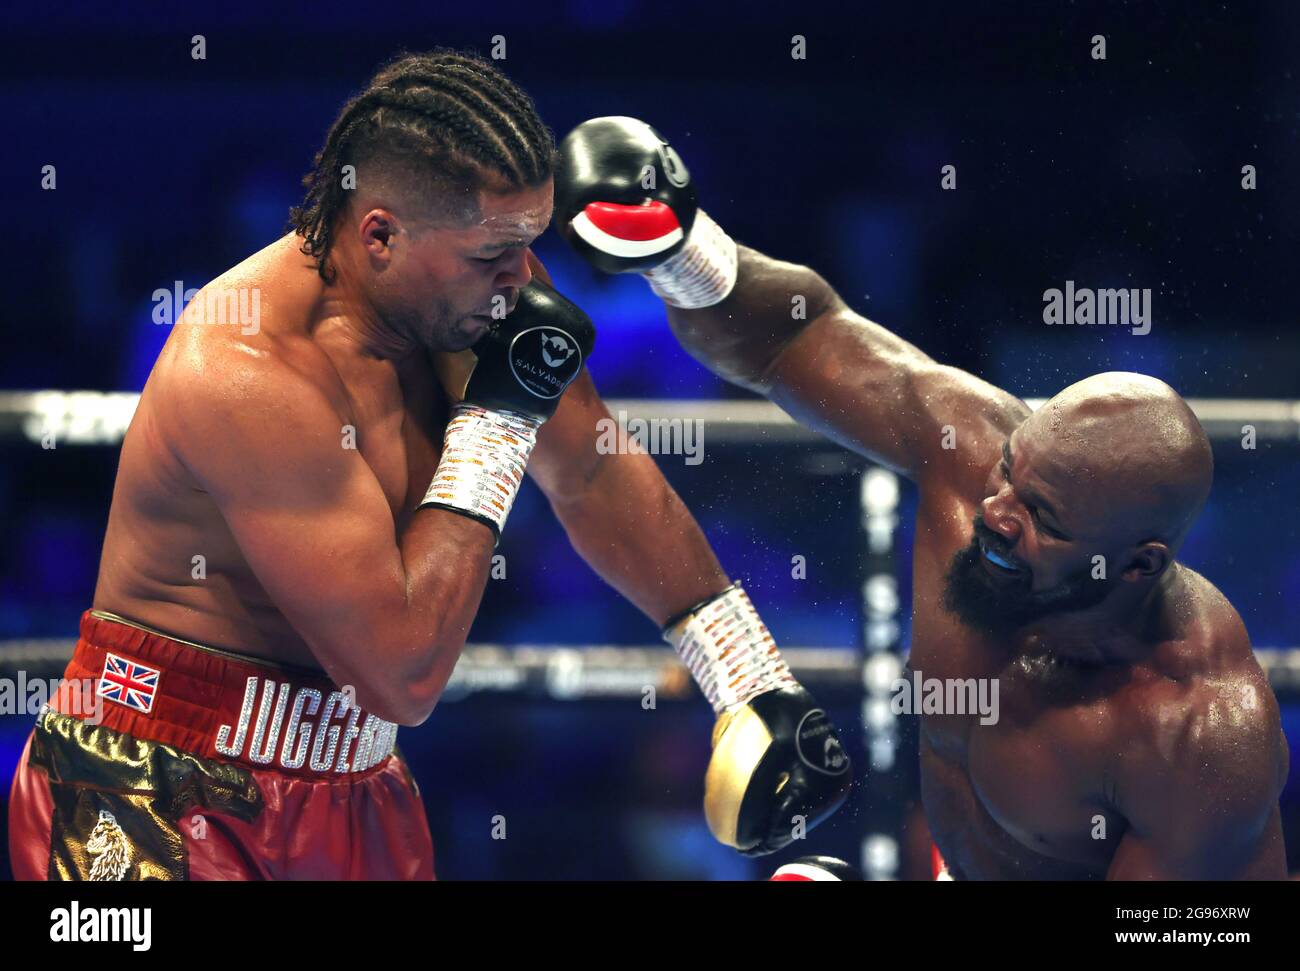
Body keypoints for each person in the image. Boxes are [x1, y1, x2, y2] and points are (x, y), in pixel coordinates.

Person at [7, 56, 849, 881]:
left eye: (530, 241)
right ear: (379, 235)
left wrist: (749, 679)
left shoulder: (476, 283)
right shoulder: (249, 371)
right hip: (150, 785)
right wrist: (497, 418)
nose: (523, 276)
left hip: (355, 786)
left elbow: (590, 470)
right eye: (495, 253)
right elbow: (402, 674)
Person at [553, 115, 1289, 879]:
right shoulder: (967, 457)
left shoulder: (1197, 731)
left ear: (1136, 566)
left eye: (1043, 518)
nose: (997, 514)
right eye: (1011, 473)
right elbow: (792, 337)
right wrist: (680, 247)